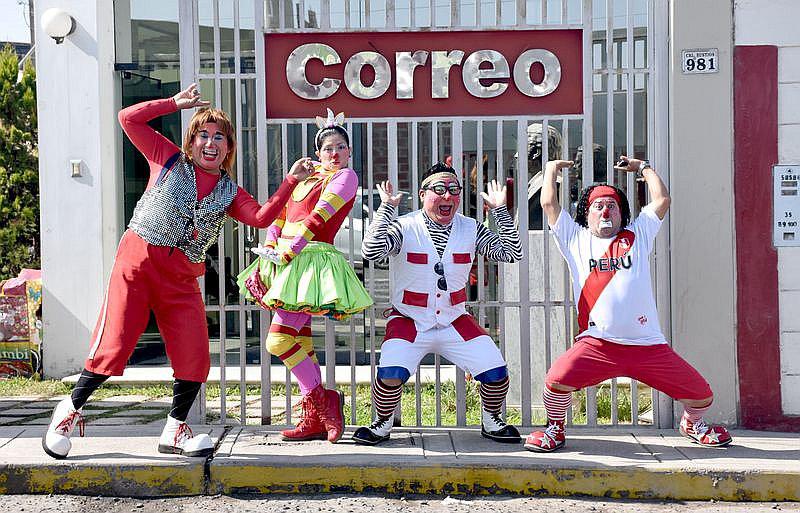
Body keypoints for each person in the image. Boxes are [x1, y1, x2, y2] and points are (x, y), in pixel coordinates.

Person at [42, 83, 311, 460]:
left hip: (182, 276)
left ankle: (175, 429)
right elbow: (127, 118)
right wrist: (173, 103)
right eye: (203, 135)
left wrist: (291, 181)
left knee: (194, 354)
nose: (211, 142)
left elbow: (262, 216)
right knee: (115, 344)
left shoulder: (230, 191)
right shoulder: (167, 159)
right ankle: (68, 411)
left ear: (229, 148)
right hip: (137, 262)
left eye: (220, 137)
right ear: (191, 141)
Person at [523, 157, 732, 452]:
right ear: (586, 213)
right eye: (598, 206)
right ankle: (555, 428)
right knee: (556, 381)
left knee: (702, 396)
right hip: (598, 344)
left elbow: (662, 199)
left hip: (648, 346)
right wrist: (551, 171)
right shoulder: (575, 239)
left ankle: (692, 424)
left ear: (623, 214)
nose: (606, 211)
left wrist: (643, 168)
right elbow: (549, 205)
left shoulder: (638, 235)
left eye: (612, 205)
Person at [352, 162, 523, 445]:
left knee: (496, 371)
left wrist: (500, 212)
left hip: (454, 319)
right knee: (391, 371)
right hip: (409, 319)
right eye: (439, 190)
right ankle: (382, 423)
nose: (448, 197)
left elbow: (511, 252)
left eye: (454, 190)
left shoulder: (471, 228)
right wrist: (386, 209)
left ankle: (491, 420)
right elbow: (370, 251)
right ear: (422, 194)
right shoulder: (404, 226)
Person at [238, 109, 372, 443]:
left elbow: (317, 218)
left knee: (278, 340)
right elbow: (280, 217)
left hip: (311, 260)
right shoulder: (306, 180)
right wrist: (270, 249)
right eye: (328, 148)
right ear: (318, 153)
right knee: (300, 341)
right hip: (285, 262)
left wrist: (289, 250)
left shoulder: (346, 177)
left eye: (341, 147)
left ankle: (324, 402)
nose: (335, 153)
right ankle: (314, 417)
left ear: (349, 152)